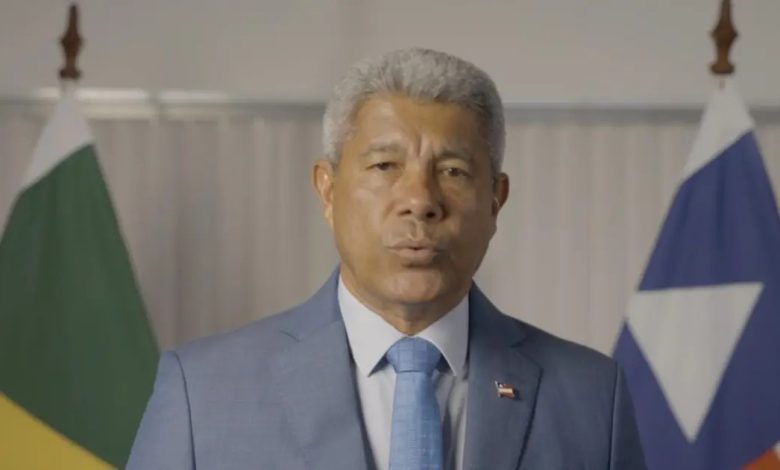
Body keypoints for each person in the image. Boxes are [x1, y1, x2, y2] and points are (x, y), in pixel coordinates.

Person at [127, 48, 646, 470]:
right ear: (327, 190)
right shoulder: (203, 393)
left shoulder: (592, 398)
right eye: (384, 165)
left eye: (453, 171)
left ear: (495, 200)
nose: (419, 200)